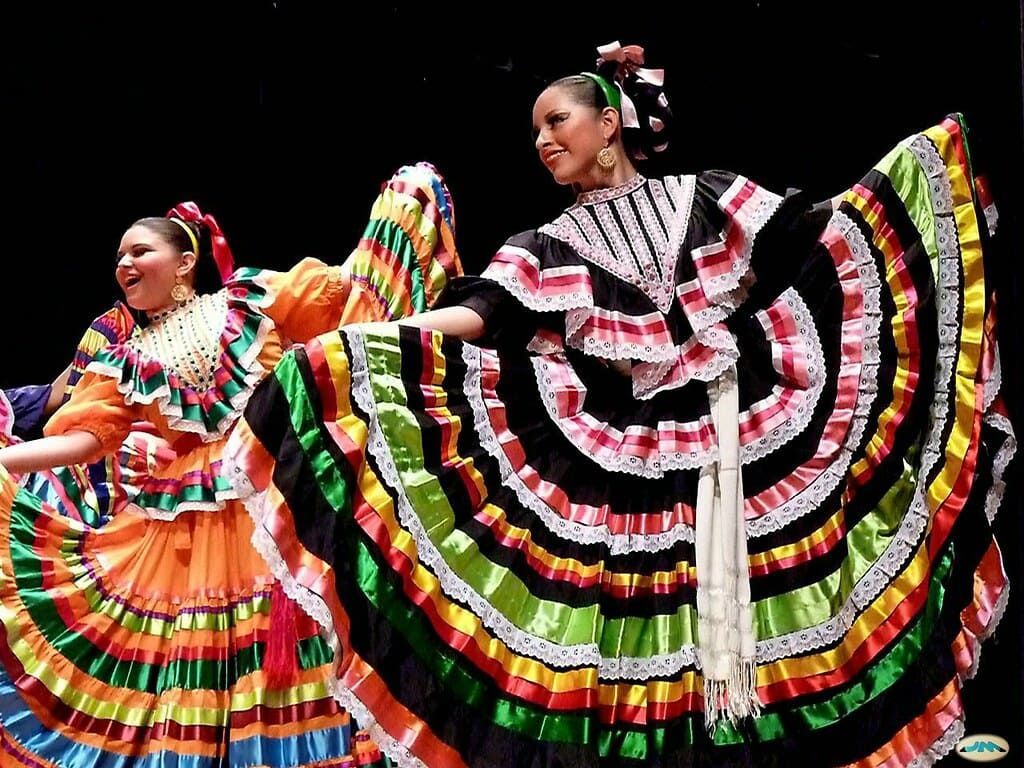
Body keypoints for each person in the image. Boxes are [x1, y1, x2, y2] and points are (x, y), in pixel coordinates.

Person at [227, 43, 1015, 767]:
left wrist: (912, 174)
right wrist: (377, 339)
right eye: (533, 129)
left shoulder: (702, 196)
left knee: (778, 617)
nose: (541, 139)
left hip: (751, 416)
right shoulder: (546, 246)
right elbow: (486, 313)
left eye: (556, 119)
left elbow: (808, 236)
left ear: (610, 124)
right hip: (639, 452)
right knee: (649, 632)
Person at [0, 161, 461, 766]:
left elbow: (348, 314)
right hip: (190, 528)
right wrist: (7, 456)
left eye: (139, 250)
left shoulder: (249, 300)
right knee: (205, 664)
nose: (124, 265)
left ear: (184, 262)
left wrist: (398, 217)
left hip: (281, 487)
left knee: (308, 635)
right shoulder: (124, 358)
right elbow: (87, 440)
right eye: (118, 257)